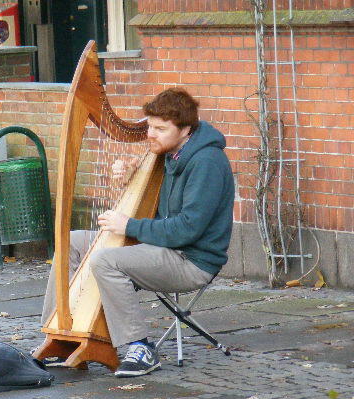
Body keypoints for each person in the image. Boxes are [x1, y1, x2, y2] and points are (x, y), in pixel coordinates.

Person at [39, 88, 235, 377]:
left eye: (160, 128)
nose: (150, 134)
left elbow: (187, 229)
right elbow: (157, 205)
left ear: (185, 130)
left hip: (191, 260)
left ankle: (139, 347)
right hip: (161, 249)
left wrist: (128, 226)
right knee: (71, 242)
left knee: (106, 260)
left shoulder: (206, 163)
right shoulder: (171, 154)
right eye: (149, 126)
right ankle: (60, 336)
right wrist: (130, 176)